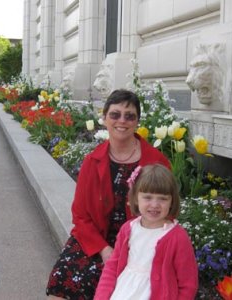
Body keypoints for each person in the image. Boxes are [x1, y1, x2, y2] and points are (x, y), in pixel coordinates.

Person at [46, 89, 171, 299]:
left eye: (129, 116)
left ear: (137, 122)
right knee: (61, 280)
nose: (122, 120)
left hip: (141, 241)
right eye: (115, 114)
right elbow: (80, 216)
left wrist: (136, 248)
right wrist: (104, 250)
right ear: (104, 118)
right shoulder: (92, 162)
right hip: (97, 239)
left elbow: (168, 209)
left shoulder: (156, 162)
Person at [94, 164, 198, 300]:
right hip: (124, 291)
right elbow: (112, 267)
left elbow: (188, 284)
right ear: (136, 198)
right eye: (148, 197)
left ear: (172, 201)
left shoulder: (177, 237)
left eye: (162, 198)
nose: (154, 204)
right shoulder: (128, 229)